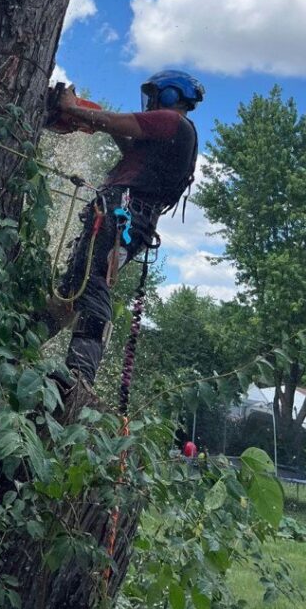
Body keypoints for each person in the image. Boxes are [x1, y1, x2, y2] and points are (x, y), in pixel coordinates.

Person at [49, 70, 204, 386]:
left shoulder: (172, 121)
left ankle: (79, 375)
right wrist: (93, 120)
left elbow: (121, 122)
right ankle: (24, 339)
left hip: (124, 214)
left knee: (92, 279)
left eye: (155, 95)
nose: (150, 102)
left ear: (170, 95)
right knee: (73, 285)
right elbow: (129, 144)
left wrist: (72, 107)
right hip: (129, 217)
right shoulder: (170, 138)